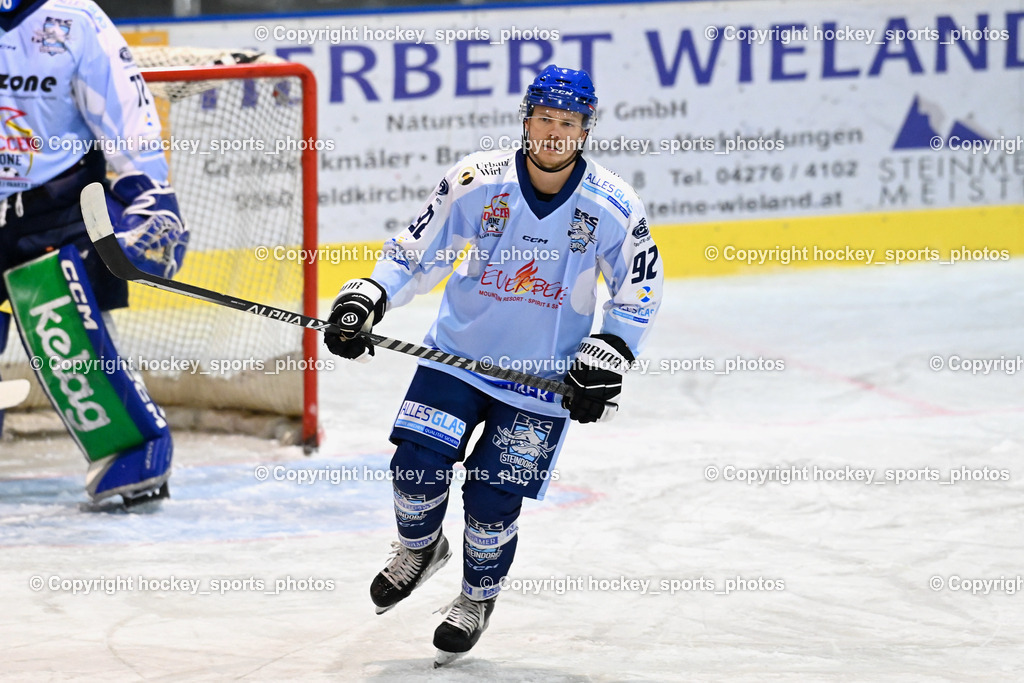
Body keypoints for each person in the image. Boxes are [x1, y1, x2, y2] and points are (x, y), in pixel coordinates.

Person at [324, 65, 661, 666]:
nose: (554, 133)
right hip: (457, 357)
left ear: (585, 130)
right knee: (417, 462)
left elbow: (640, 289)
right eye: (545, 119)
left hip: (540, 382)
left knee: (492, 498)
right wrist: (368, 296)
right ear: (526, 121)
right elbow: (416, 251)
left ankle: (476, 598)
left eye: (568, 123)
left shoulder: (613, 204)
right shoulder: (477, 180)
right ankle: (419, 548)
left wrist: (610, 350)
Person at [0, 0, 188, 506]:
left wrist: (149, 194)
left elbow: (125, 112)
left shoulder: (75, 19)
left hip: (52, 214)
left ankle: (134, 450)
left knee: (70, 343)